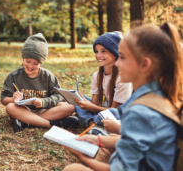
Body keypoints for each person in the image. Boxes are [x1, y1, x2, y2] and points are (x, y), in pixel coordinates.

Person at [63, 22, 183, 170]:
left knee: (72, 168)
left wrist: (81, 157)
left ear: (145, 65)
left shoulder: (140, 112)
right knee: (110, 139)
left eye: (122, 57)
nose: (118, 63)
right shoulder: (165, 95)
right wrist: (98, 140)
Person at [1, 33, 79, 133]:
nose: (30, 66)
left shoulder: (48, 76)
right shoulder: (14, 76)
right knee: (10, 107)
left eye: (35, 63)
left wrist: (44, 102)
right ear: (23, 58)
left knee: (70, 107)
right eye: (27, 61)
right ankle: (51, 124)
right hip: (23, 110)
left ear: (41, 63)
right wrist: (13, 99)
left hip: (45, 110)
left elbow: (59, 96)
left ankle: (25, 123)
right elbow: (4, 99)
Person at [72, 32, 132, 135]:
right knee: (76, 102)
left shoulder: (123, 77)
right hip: (105, 108)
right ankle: (94, 124)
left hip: (123, 112)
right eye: (96, 51)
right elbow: (95, 104)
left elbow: (115, 110)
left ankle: (90, 122)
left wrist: (89, 107)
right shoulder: (97, 75)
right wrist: (85, 103)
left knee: (107, 114)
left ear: (115, 53)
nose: (98, 55)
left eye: (103, 51)